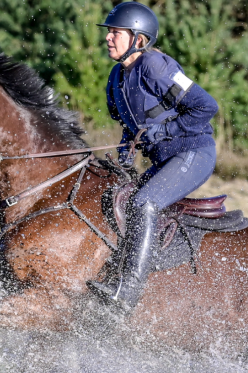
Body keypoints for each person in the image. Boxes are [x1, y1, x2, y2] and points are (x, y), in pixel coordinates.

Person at [88, 1, 219, 313]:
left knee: (142, 202)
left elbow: (206, 107)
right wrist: (125, 153)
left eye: (115, 33)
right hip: (165, 160)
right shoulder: (116, 78)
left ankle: (128, 293)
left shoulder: (156, 66)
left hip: (193, 153)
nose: (108, 38)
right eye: (108, 33)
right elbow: (128, 126)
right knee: (116, 197)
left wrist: (163, 133)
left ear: (139, 38)